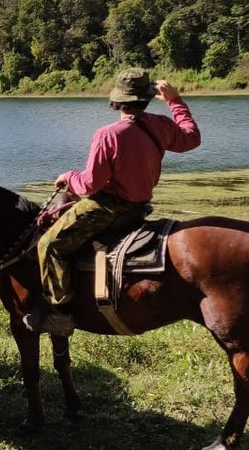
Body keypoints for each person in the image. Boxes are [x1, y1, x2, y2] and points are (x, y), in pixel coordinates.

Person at [25, 68, 201, 334]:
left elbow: (89, 184)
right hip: (138, 208)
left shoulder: (108, 134)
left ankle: (57, 311)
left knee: (49, 245)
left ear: (117, 100)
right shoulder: (161, 125)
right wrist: (175, 101)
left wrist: (67, 176)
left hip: (106, 208)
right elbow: (191, 138)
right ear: (147, 98)